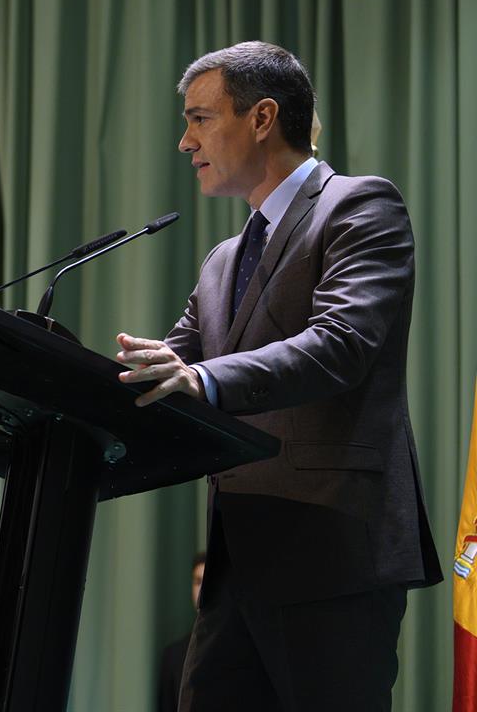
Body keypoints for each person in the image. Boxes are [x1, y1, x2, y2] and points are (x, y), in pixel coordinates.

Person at [115, 41, 442, 710]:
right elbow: (165, 372)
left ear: (263, 117)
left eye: (199, 119)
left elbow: (340, 344)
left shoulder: (359, 208)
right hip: (238, 564)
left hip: (332, 548)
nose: (184, 141)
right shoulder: (220, 261)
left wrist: (202, 381)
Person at [156, 552, 205, 712]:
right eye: (198, 582)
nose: (202, 590)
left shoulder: (237, 651)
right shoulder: (173, 656)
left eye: (208, 582)